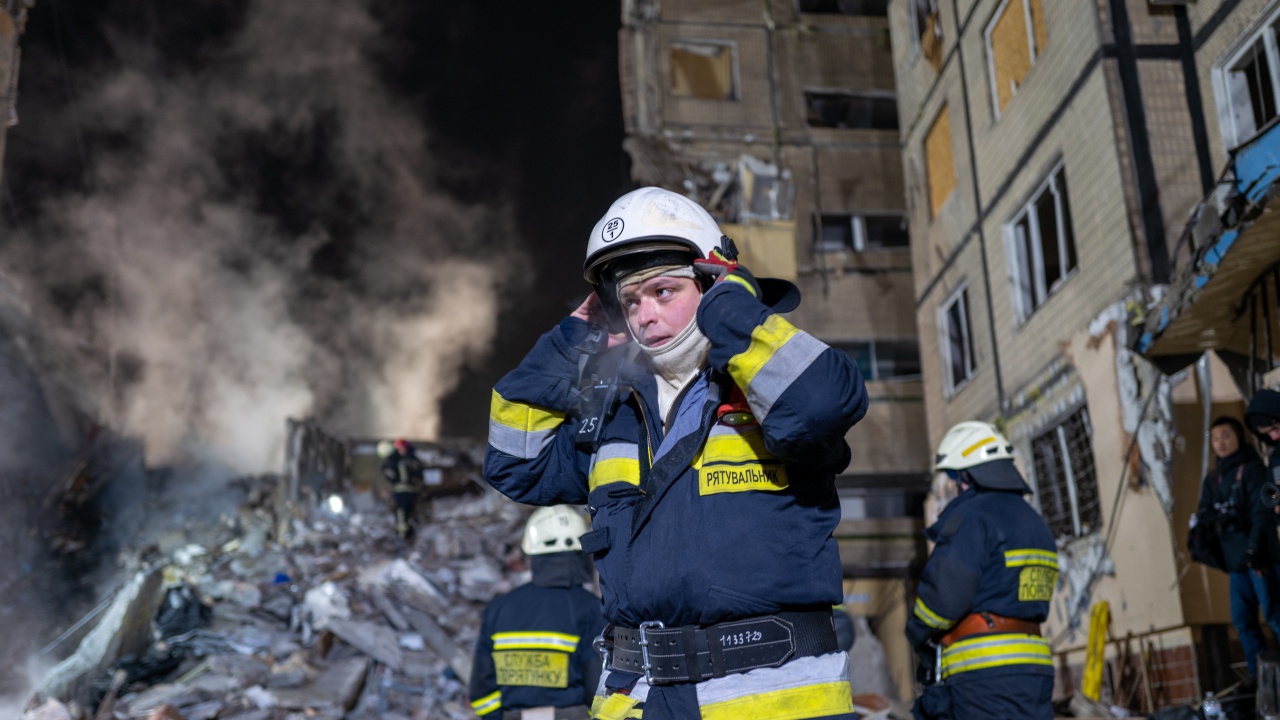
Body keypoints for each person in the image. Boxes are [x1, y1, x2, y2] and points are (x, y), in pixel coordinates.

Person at [484, 186, 869, 719]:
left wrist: (733, 308)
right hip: (637, 699)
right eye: (630, 301)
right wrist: (574, 337)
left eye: (664, 291)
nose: (644, 315)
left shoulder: (769, 388)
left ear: (713, 281)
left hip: (769, 701)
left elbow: (823, 404)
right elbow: (513, 464)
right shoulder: (614, 414)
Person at [906, 421, 1057, 720]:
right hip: (1035, 671)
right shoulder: (1034, 521)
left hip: (984, 675)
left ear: (967, 475)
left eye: (953, 476)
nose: (954, 487)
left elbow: (943, 597)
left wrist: (916, 631)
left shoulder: (973, 516)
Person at [470, 505, 607, 720]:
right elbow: (598, 686)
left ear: (530, 551)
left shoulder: (498, 609)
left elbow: (481, 693)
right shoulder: (591, 609)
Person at [381, 438, 424, 541]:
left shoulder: (412, 460)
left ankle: (410, 532)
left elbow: (419, 473)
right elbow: (387, 472)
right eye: (399, 448)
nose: (401, 450)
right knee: (401, 512)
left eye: (403, 448)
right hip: (399, 491)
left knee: (411, 511)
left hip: (412, 490)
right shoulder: (393, 460)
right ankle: (403, 534)